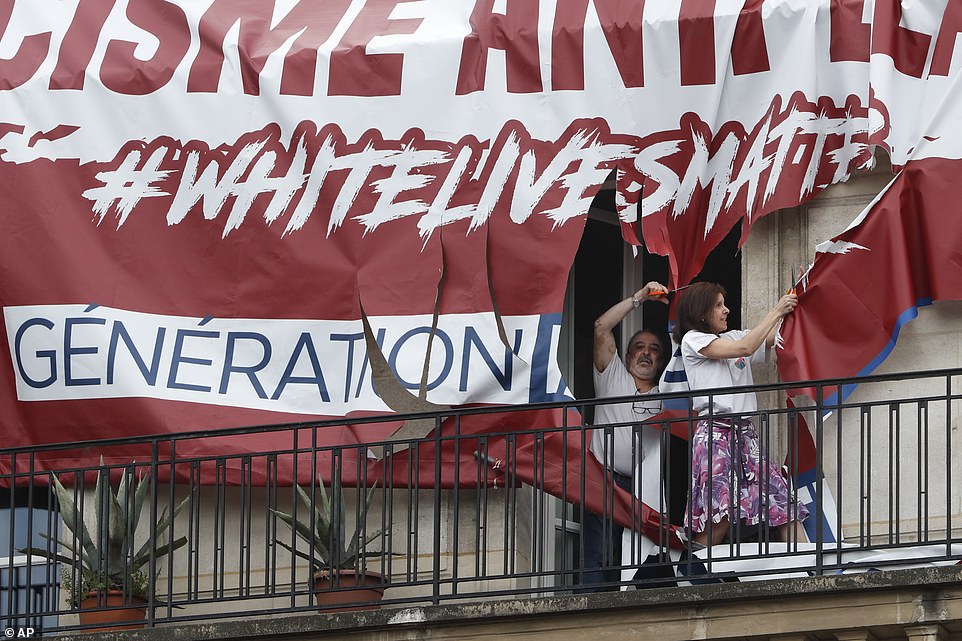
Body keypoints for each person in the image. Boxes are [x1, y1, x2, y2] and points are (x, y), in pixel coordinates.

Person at [674, 281, 809, 548]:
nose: (726, 310)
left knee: (782, 501)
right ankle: (695, 572)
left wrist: (804, 292)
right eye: (718, 305)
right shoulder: (693, 339)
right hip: (716, 434)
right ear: (701, 313)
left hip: (745, 435)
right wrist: (777, 310)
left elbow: (780, 335)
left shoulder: (734, 337)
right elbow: (746, 348)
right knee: (722, 512)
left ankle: (809, 569)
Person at [577, 281, 669, 592]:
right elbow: (602, 326)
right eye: (640, 347)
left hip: (647, 491)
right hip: (603, 478)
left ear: (661, 362)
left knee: (641, 562)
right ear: (627, 355)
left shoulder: (668, 394)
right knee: (599, 556)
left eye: (654, 349)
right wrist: (640, 297)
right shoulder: (611, 375)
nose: (646, 353)